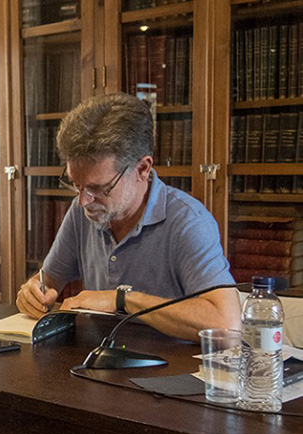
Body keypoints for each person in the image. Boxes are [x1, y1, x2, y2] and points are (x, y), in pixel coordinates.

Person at [17, 93, 241, 341]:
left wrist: (121, 299)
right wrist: (34, 293)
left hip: (171, 371)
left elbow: (226, 324)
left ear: (142, 169)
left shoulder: (188, 222)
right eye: (75, 184)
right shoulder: (81, 212)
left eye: (99, 188)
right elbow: (49, 280)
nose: (83, 200)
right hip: (96, 362)